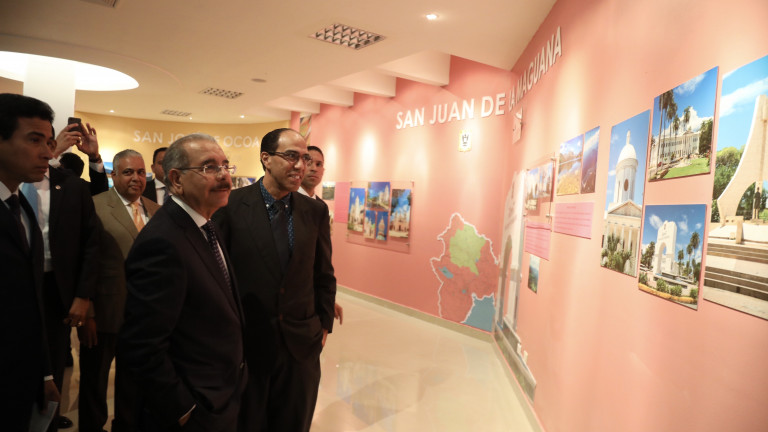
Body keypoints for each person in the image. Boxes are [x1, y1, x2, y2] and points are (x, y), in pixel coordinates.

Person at [119, 134, 247, 431]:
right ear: (176, 180)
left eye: (225, 165)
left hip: (220, 393)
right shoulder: (163, 241)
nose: (224, 175)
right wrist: (183, 409)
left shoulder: (206, 225)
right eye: (209, 167)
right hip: (194, 407)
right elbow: (142, 344)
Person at [213, 128, 336, 432]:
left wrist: (323, 325)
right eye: (291, 156)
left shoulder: (315, 211)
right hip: (249, 345)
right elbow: (218, 277)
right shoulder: (230, 206)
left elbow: (323, 273)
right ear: (266, 159)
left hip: (301, 346)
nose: (301, 165)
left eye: (305, 158)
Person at [21, 123, 102, 431]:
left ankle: (47, 423)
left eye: (46, 141)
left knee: (53, 367)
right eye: (33, 140)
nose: (42, 148)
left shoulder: (71, 185)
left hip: (54, 289)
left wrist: (83, 295)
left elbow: (91, 241)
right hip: (14, 287)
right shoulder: (9, 183)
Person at [79, 150, 160, 432]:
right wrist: (88, 313)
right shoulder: (95, 206)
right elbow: (84, 262)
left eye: (140, 172)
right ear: (113, 175)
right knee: (95, 382)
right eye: (128, 172)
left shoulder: (156, 209)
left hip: (143, 317)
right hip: (104, 314)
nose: (136, 178)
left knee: (133, 382)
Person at [0, 92, 60, 430]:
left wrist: (44, 372)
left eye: (49, 142)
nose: (48, 153)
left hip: (21, 380)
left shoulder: (21, 207)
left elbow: (31, 301)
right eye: (35, 140)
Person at [299, 145, 343, 324]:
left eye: (319, 164)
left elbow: (322, 261)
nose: (313, 168)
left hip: (311, 300)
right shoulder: (286, 203)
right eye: (309, 162)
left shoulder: (321, 207)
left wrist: (327, 301)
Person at [53, 122, 109, 196]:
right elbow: (100, 188)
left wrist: (55, 151)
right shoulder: (81, 188)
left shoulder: (79, 188)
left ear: (62, 166)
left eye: (58, 166)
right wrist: (95, 158)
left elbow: (100, 190)